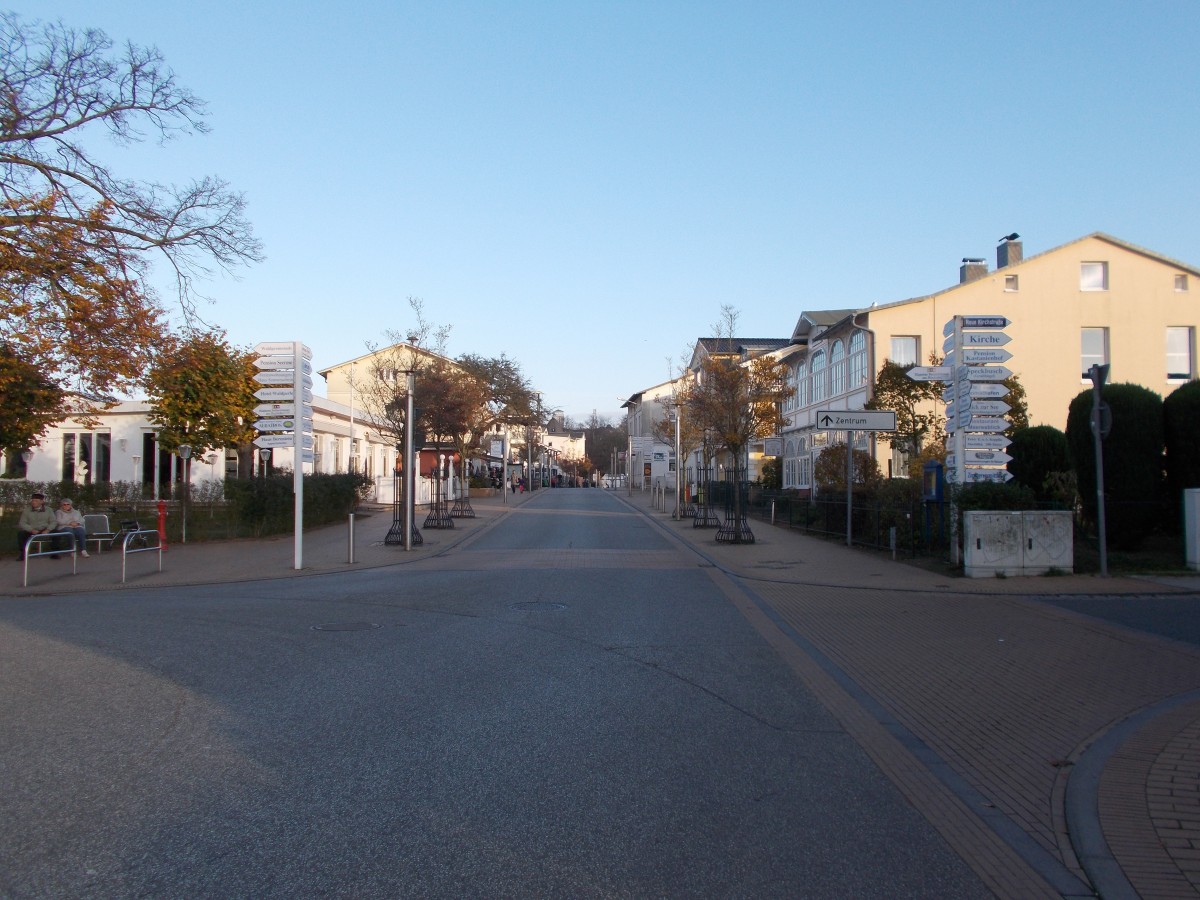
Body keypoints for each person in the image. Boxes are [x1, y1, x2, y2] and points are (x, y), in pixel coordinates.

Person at [17, 491, 57, 560]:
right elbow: (22, 523)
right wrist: (31, 529)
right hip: (32, 529)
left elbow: (53, 522)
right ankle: (23, 554)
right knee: (21, 534)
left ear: (41, 502)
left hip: (45, 529)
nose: (34, 502)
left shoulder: (49, 510)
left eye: (36, 501)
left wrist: (48, 529)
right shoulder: (27, 510)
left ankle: (55, 553)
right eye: (33, 500)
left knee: (57, 533)